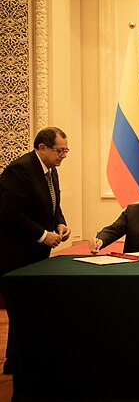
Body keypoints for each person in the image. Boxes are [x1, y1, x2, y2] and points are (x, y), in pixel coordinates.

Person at [0, 126, 71, 376]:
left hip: (36, 254)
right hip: (15, 254)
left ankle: (19, 360)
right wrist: (43, 235)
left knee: (29, 309)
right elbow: (9, 214)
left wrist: (60, 223)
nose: (64, 155)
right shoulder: (20, 170)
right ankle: (16, 363)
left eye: (66, 150)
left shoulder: (51, 170)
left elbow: (54, 204)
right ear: (42, 148)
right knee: (20, 309)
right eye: (60, 151)